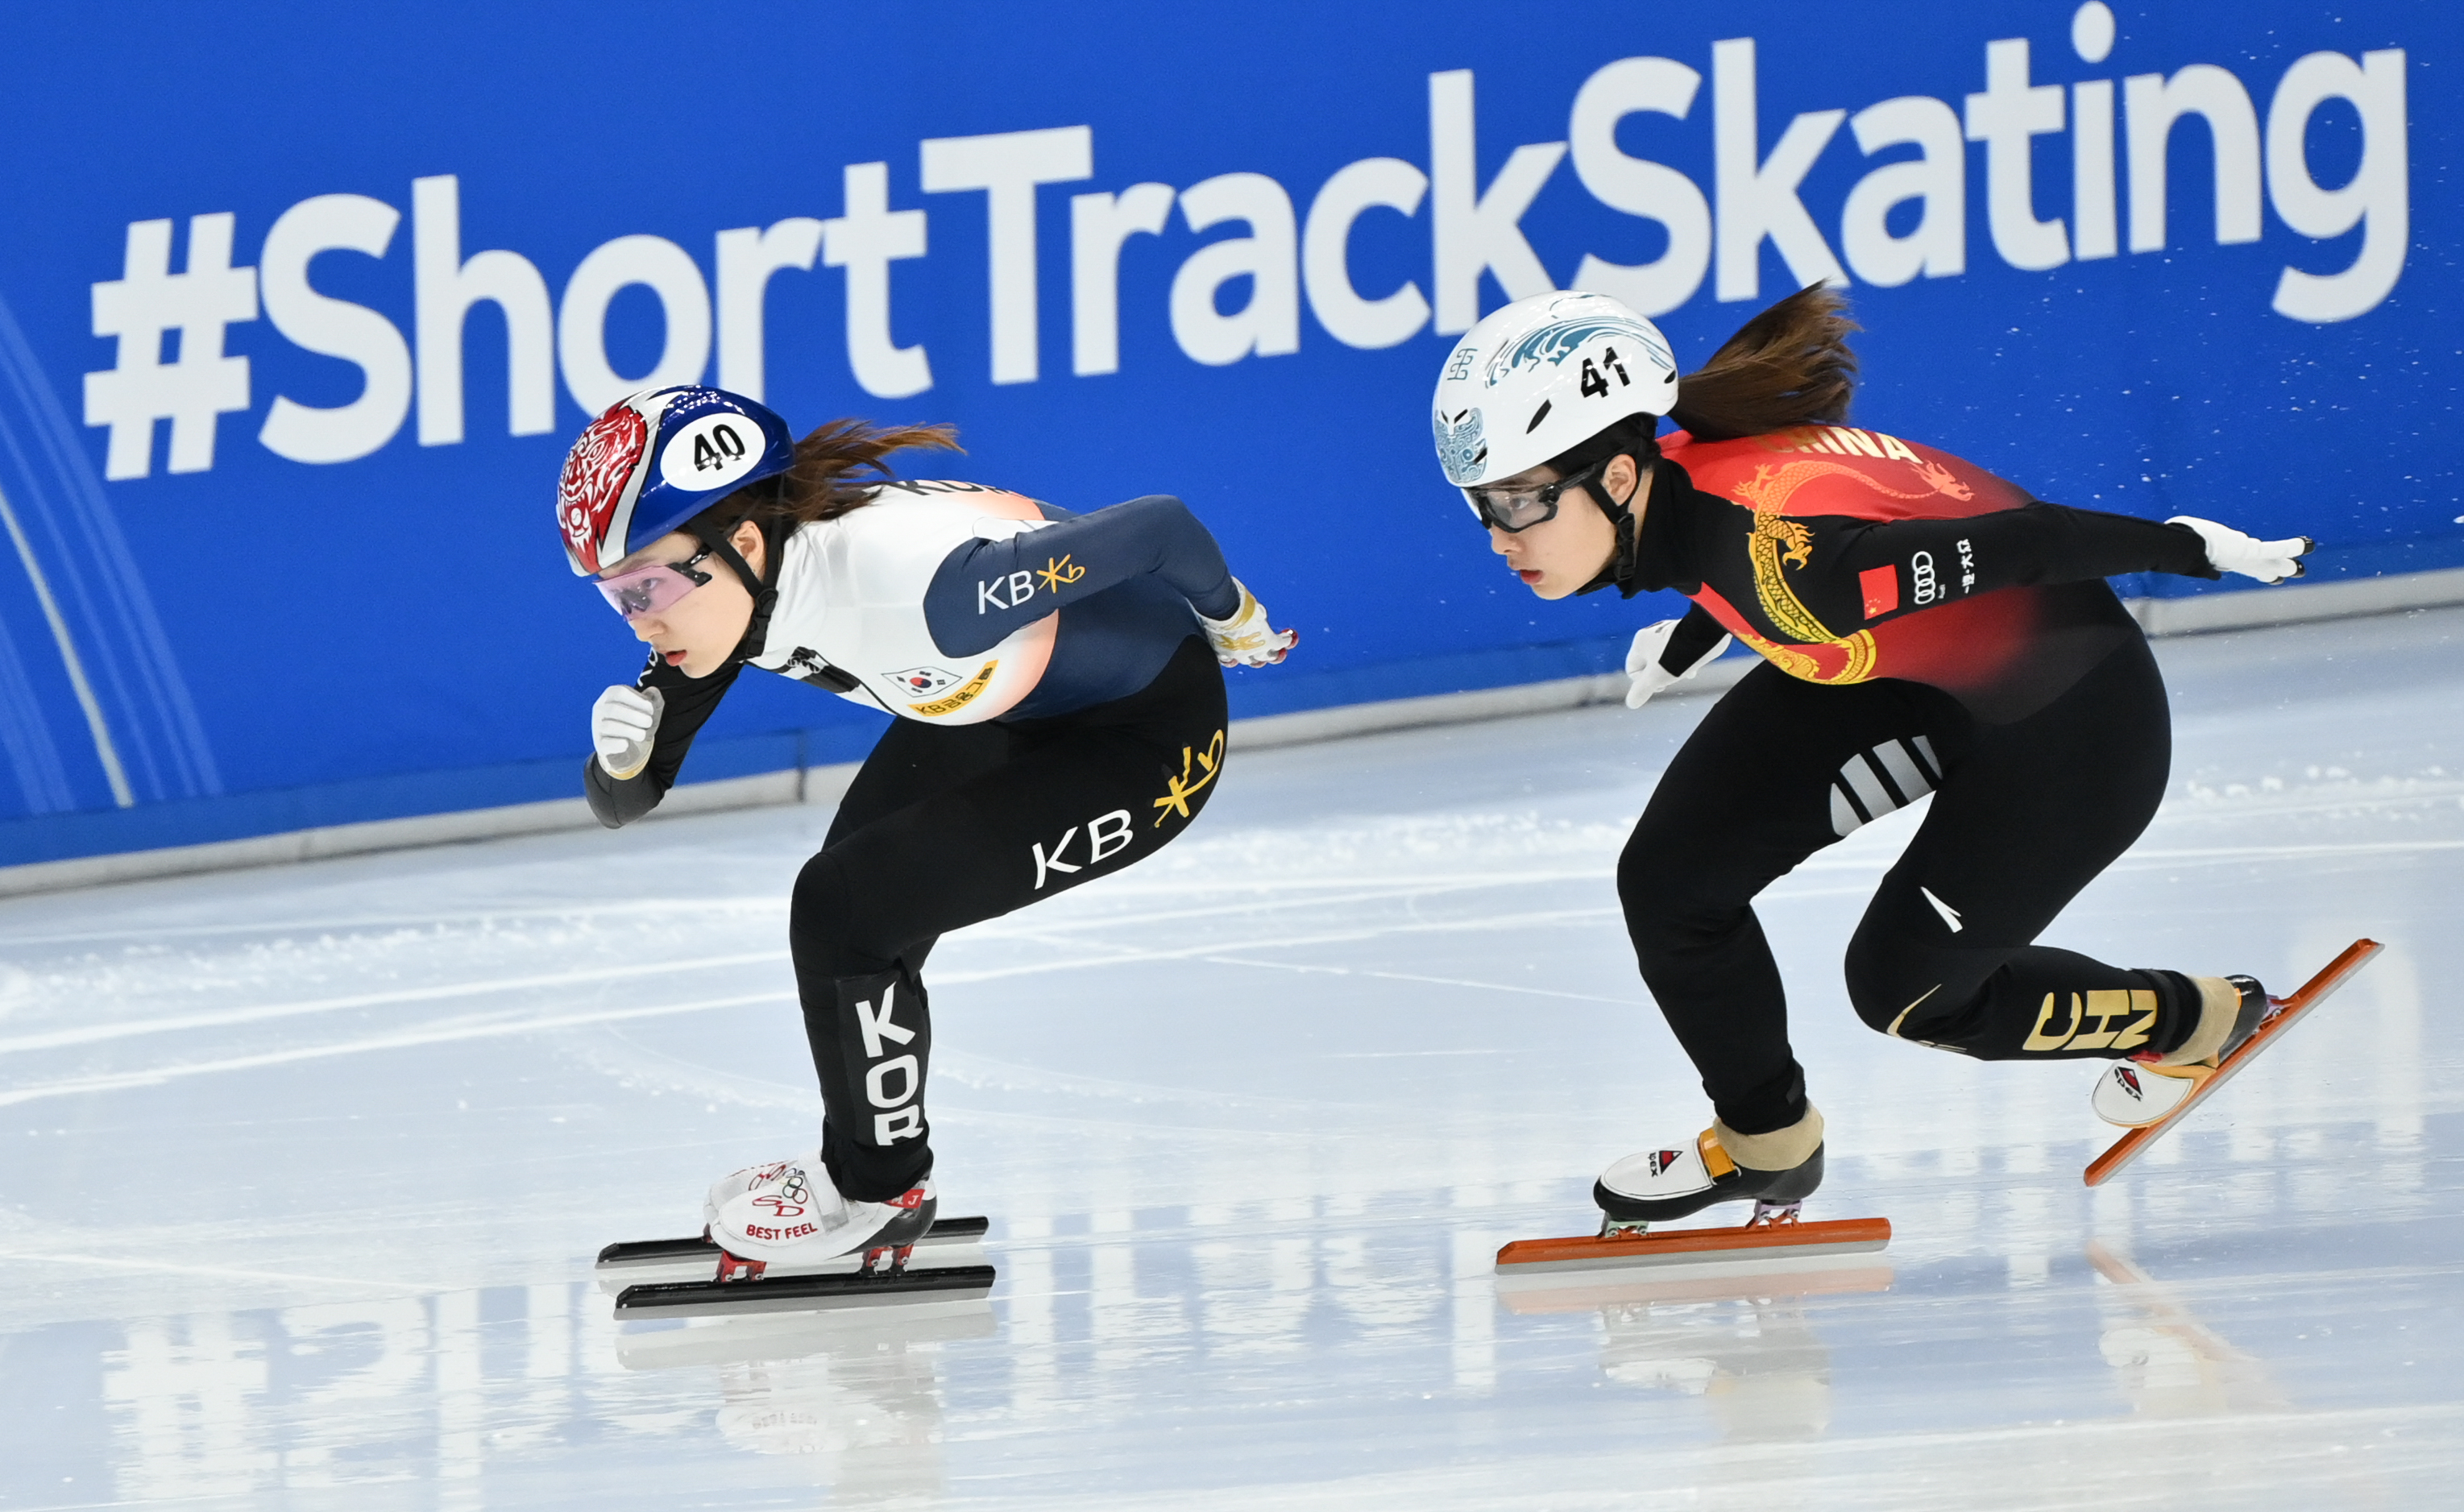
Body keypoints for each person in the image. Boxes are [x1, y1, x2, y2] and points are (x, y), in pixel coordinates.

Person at [1429, 288, 2311, 1228]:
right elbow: (1778, 539)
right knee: (1671, 881)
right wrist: (1689, 640)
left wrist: (2187, 547)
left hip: (2071, 720)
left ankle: (2195, 1019)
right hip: (1910, 668)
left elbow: (2026, 543)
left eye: (1521, 500)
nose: (1499, 536)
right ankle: (1767, 1140)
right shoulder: (1679, 478)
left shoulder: (1801, 575)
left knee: (1907, 991)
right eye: (1483, 504)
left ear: (1614, 476)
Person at [557, 386, 1293, 1273]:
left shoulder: (934, 594)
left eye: (647, 587)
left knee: (847, 907)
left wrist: (1235, 619)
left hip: (1148, 739)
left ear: (740, 542)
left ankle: (879, 1189)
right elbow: (624, 802)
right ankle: (860, 1172)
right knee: (846, 905)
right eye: (615, 597)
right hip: (999, 706)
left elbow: (1157, 529)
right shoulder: (723, 593)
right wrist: (621, 764)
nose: (641, 619)